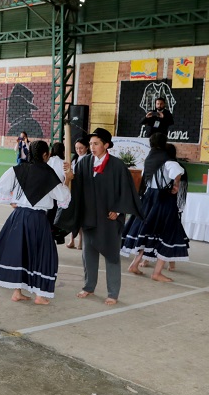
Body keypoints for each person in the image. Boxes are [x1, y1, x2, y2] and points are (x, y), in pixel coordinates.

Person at [56, 128, 143, 305]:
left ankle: (113, 293)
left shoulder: (118, 166)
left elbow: (127, 190)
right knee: (88, 254)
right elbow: (75, 188)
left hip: (108, 218)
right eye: (90, 144)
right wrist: (70, 177)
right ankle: (89, 286)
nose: (92, 147)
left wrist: (118, 210)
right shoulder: (84, 162)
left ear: (106, 145)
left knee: (111, 255)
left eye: (96, 143)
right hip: (89, 216)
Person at [0, 141, 72, 305]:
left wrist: (16, 197)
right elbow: (63, 198)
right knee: (41, 255)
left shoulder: (18, 169)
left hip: (19, 216)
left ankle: (17, 292)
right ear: (44, 155)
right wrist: (67, 180)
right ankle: (40, 295)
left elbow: (2, 187)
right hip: (37, 219)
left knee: (20, 252)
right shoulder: (48, 173)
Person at [121, 136, 188, 281]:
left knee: (149, 232)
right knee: (168, 233)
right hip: (163, 200)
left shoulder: (150, 160)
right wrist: (176, 185)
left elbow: (145, 179)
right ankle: (156, 273)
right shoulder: (169, 161)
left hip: (149, 199)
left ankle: (135, 264)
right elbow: (177, 172)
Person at [66, 137, 90, 249]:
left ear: (87, 148)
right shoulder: (75, 159)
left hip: (83, 192)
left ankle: (81, 241)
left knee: (80, 217)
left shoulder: (89, 160)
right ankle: (72, 240)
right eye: (76, 148)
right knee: (73, 216)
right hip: (74, 191)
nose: (78, 150)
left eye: (81, 148)